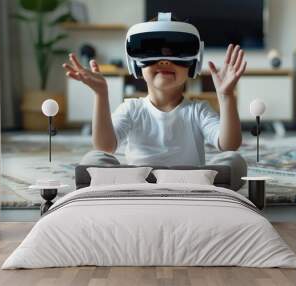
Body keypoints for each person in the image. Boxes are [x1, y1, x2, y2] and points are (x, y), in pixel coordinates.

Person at [62, 15, 247, 190]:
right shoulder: (131, 108)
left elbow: (229, 145)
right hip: (137, 182)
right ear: (136, 65)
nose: (165, 60)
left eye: (176, 51)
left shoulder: (198, 110)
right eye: (152, 51)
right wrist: (101, 95)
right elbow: (105, 147)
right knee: (93, 159)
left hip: (189, 182)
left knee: (234, 159)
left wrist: (227, 96)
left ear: (192, 65)